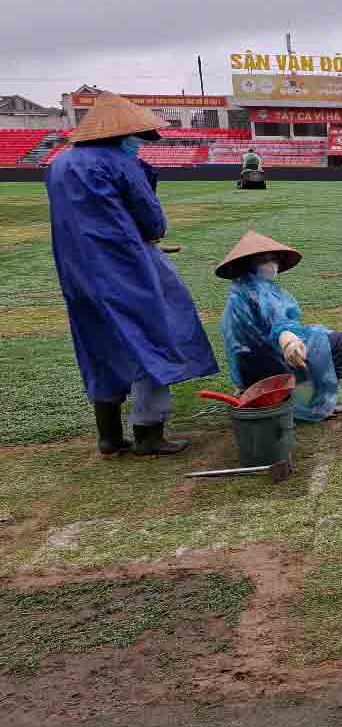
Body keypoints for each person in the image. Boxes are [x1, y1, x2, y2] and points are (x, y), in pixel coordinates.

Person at [46, 92, 219, 456]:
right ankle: (148, 431)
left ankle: (108, 435)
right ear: (123, 135)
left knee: (98, 343)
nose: (138, 145)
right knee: (154, 333)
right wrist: (149, 239)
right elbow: (152, 221)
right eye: (136, 139)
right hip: (126, 267)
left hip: (77, 270)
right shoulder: (120, 165)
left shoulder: (59, 165)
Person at [216, 231, 342, 422]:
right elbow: (279, 324)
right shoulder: (259, 293)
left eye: (274, 260)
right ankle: (318, 401)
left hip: (247, 365)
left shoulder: (239, 290)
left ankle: (264, 392)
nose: (273, 265)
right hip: (267, 361)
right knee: (336, 341)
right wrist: (289, 341)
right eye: (265, 261)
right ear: (250, 265)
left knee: (316, 337)